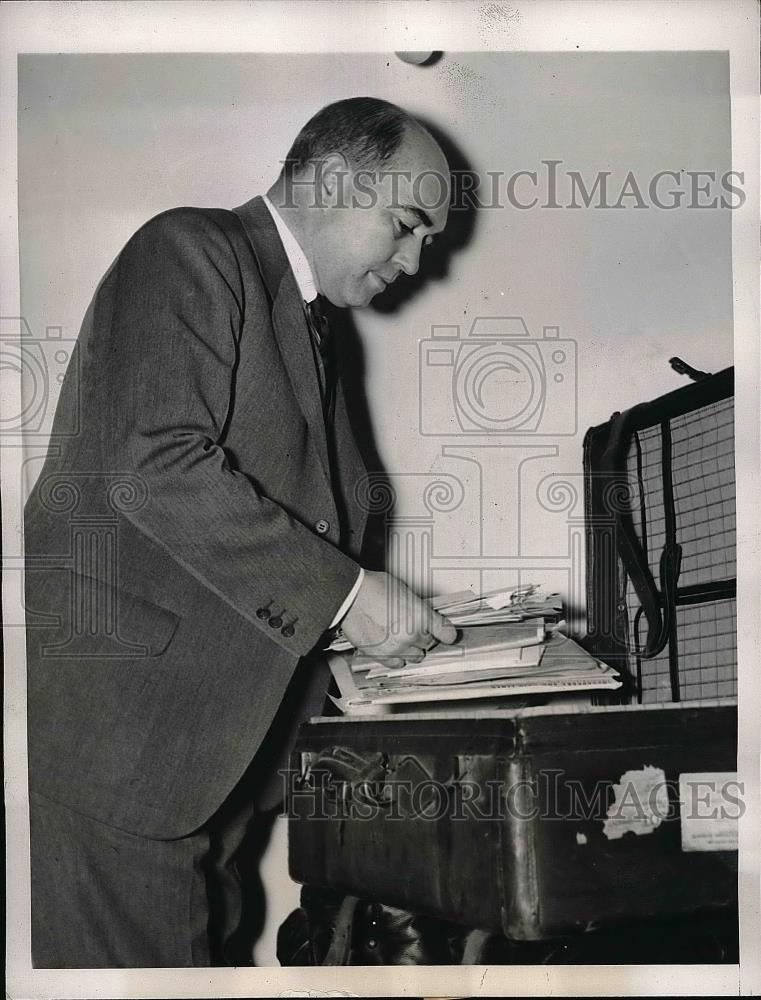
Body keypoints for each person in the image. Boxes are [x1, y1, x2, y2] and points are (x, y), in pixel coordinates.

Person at [24, 96, 456, 968]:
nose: (414, 260)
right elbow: (151, 466)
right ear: (333, 178)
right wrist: (347, 596)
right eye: (405, 224)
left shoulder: (314, 324)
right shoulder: (191, 248)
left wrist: (346, 642)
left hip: (211, 761)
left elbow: (295, 524)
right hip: (131, 748)